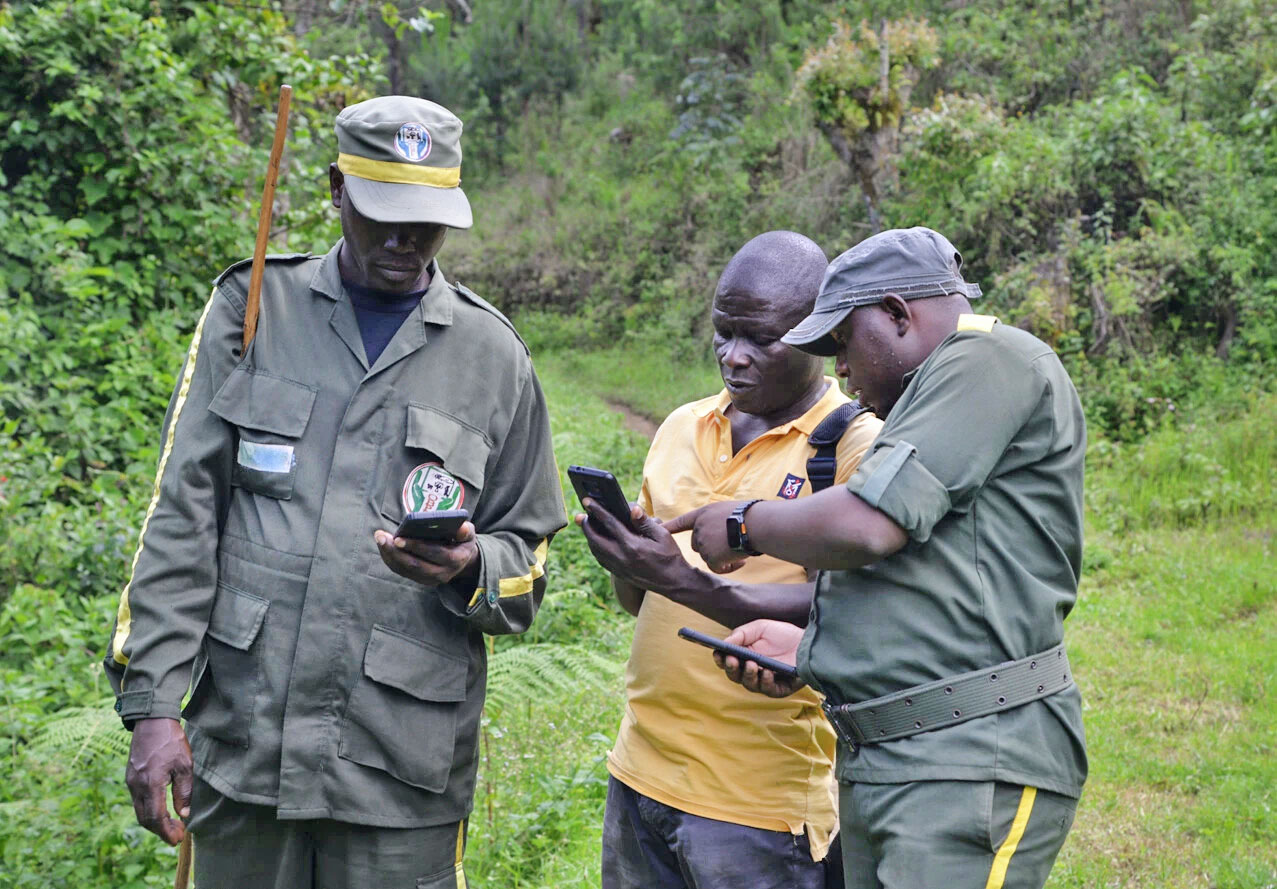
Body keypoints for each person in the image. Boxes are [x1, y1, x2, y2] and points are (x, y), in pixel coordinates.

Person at [103, 96, 567, 888]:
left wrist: (465, 565)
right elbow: (180, 517)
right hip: (245, 745)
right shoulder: (253, 311)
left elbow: (527, 562)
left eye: (425, 219)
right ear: (335, 188)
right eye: (382, 211)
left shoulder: (494, 356)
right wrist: (153, 706)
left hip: (398, 772)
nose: (403, 239)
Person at [670, 226, 1088, 889]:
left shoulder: (987, 357)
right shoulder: (926, 404)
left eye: (842, 344)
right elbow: (927, 586)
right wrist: (812, 648)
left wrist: (746, 523)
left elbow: (869, 524)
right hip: (892, 760)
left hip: (970, 759)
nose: (839, 370)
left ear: (896, 313)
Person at [577, 230, 883, 889]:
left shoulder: (857, 450)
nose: (732, 357)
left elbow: (864, 612)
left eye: (760, 340)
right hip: (639, 773)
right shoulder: (683, 426)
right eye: (722, 332)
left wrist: (681, 578)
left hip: (758, 804)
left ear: (821, 334)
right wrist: (625, 556)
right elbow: (639, 601)